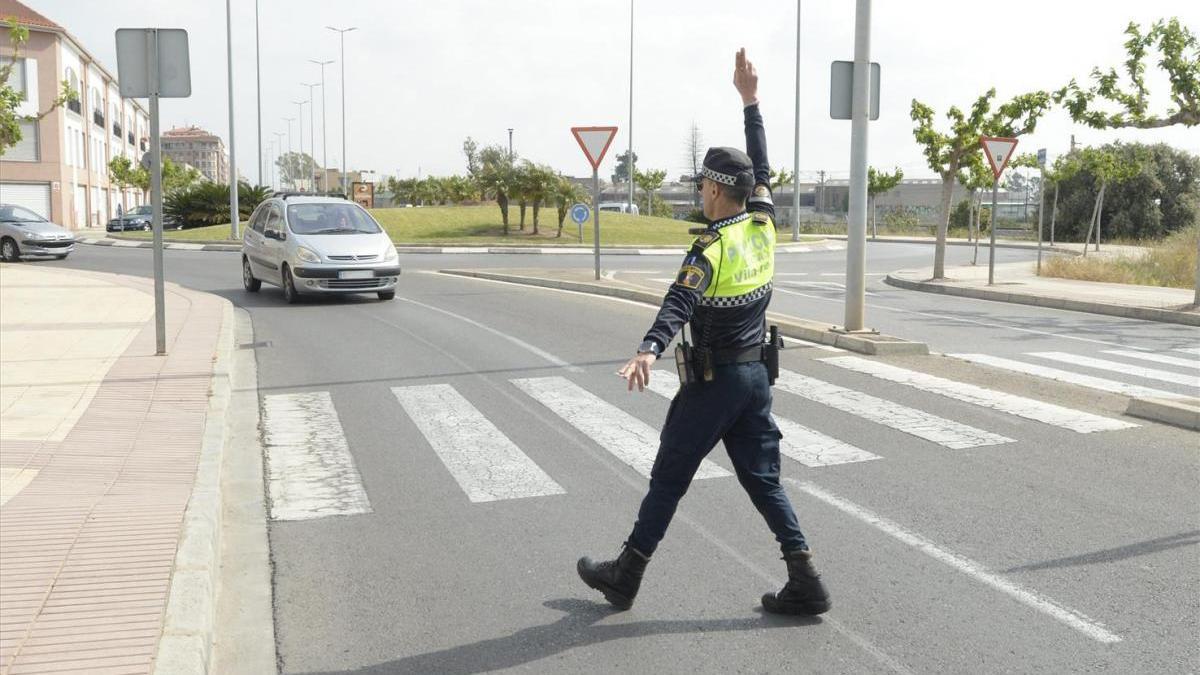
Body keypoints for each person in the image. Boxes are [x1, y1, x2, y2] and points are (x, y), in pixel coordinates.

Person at [576, 48, 830, 616]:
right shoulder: (763, 227)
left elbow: (679, 300)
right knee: (764, 481)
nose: (699, 195)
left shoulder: (710, 246)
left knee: (669, 477)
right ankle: (805, 578)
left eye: (702, 188)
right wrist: (751, 101)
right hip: (756, 380)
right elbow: (763, 168)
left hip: (714, 384)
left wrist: (648, 348)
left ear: (716, 191)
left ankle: (626, 575)